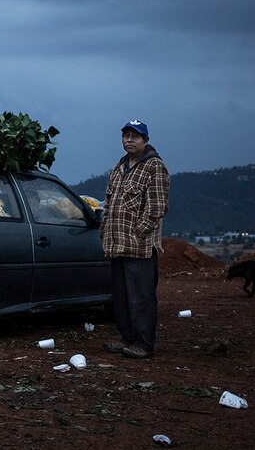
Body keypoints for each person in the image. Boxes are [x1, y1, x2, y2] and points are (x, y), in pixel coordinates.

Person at [100, 119, 170, 359]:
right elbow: (109, 203)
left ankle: (143, 342)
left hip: (139, 246)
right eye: (126, 135)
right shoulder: (119, 168)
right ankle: (127, 338)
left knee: (141, 297)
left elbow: (157, 208)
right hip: (116, 244)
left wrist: (139, 233)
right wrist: (104, 230)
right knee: (120, 297)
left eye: (135, 136)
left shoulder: (154, 167)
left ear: (146, 140)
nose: (129, 140)